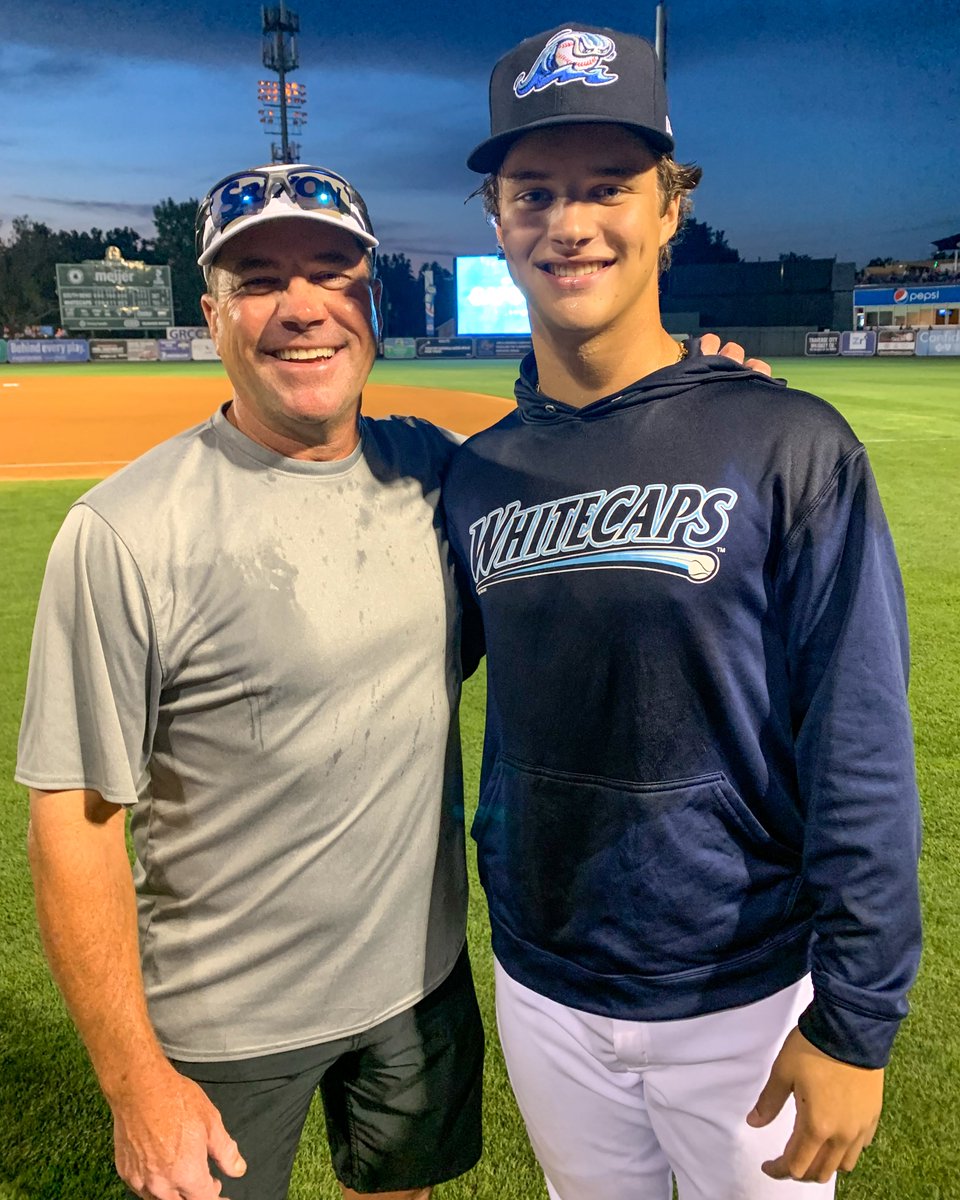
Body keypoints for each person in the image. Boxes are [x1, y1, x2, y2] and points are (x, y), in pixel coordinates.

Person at [442, 23, 922, 1200]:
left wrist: (856, 1019)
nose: (570, 222)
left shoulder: (786, 440)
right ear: (498, 220)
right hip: (546, 985)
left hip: (743, 990)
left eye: (609, 185)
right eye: (534, 192)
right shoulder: (480, 473)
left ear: (670, 209)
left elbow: (859, 740)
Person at [16, 164, 485, 1200]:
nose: (302, 308)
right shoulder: (126, 532)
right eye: (260, 280)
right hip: (221, 1025)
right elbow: (74, 826)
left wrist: (707, 392)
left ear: (370, 301)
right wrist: (136, 1083)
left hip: (419, 984)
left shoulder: (440, 474)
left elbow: (591, 488)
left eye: (331, 273)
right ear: (213, 316)